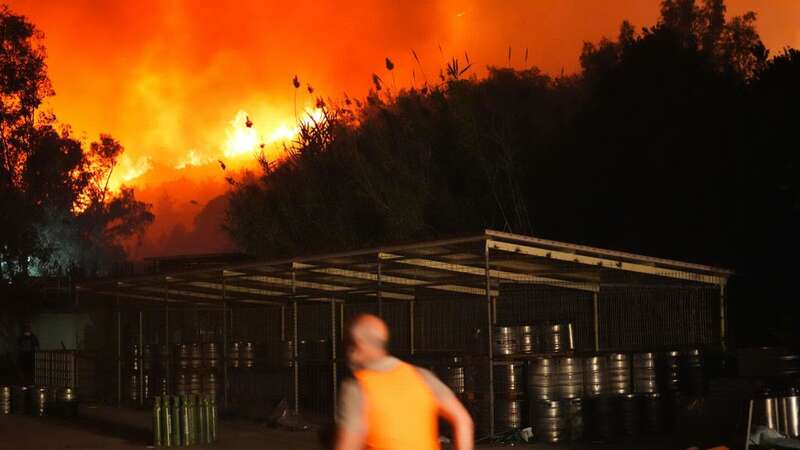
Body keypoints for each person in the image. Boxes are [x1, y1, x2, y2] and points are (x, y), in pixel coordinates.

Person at [334, 314, 474, 450]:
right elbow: (463, 420)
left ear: (359, 343)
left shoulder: (358, 387)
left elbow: (349, 445)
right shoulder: (421, 376)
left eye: (349, 343)